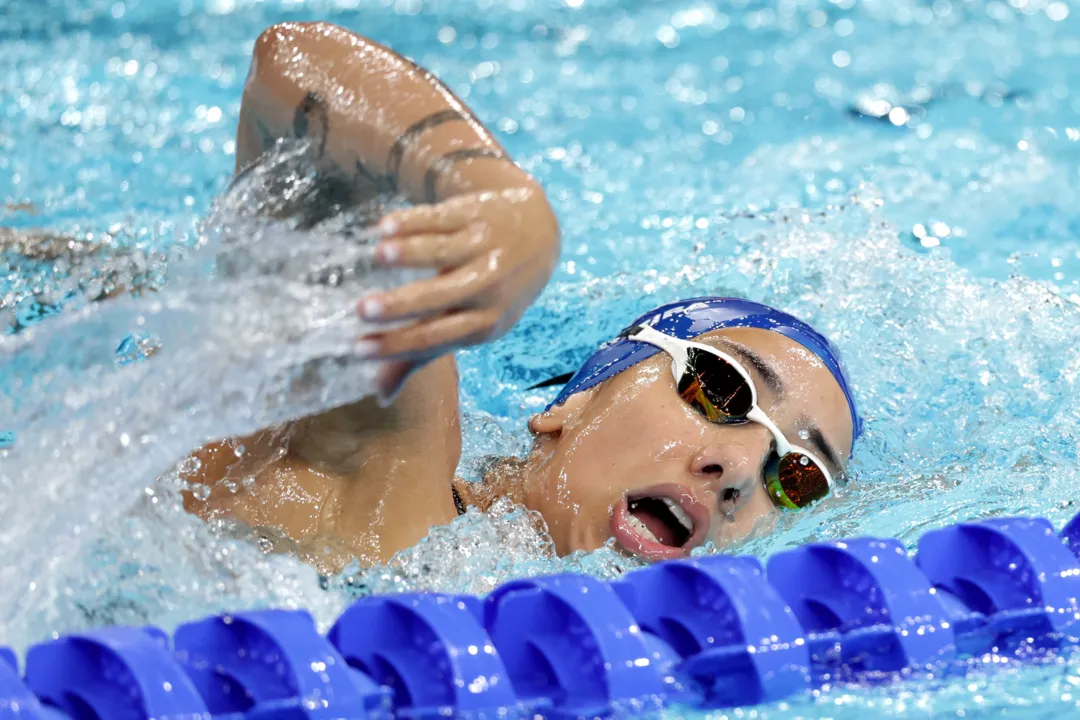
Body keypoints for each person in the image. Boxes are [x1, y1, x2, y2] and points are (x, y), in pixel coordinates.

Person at [11, 22, 861, 573]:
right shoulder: (397, 472)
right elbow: (290, 68)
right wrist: (486, 192)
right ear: (569, 407)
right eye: (720, 390)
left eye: (799, 478)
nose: (740, 470)